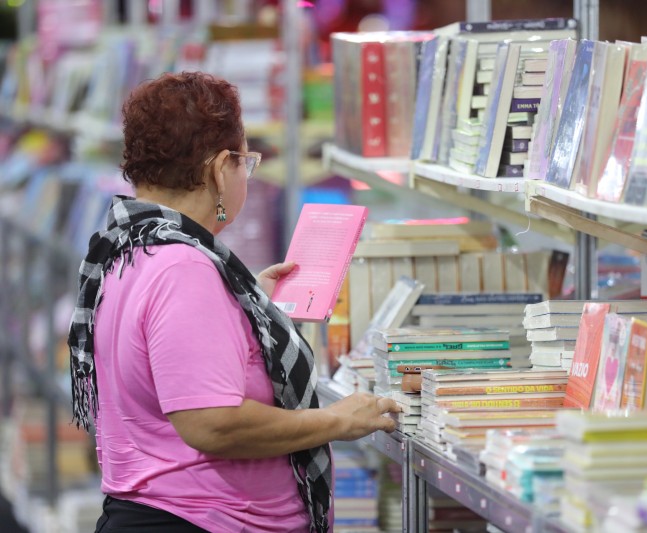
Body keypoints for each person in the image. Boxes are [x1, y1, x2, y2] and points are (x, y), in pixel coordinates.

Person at [67, 71, 400, 533]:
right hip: (198, 520)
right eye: (246, 161)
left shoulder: (130, 246)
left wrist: (240, 309)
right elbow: (212, 424)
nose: (246, 172)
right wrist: (333, 422)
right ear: (219, 168)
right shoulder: (183, 269)